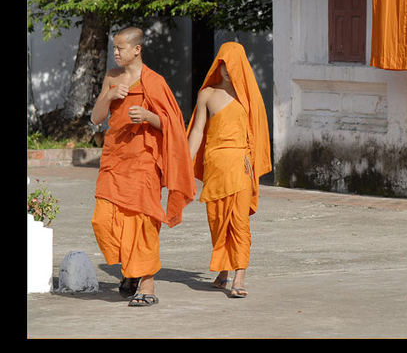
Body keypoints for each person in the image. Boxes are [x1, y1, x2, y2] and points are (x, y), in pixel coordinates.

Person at [89, 27, 195, 307]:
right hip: (114, 158)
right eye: (114, 48)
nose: (116, 53)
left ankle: (146, 284)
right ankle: (131, 270)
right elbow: (96, 118)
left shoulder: (154, 82)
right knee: (102, 220)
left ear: (137, 49)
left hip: (144, 162)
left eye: (120, 48)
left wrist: (149, 116)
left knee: (144, 222)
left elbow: (174, 124)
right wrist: (109, 97)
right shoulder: (111, 77)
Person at [187, 42, 271, 298]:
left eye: (230, 64)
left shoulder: (248, 98)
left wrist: (252, 159)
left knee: (239, 222)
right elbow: (198, 131)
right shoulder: (207, 94)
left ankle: (239, 276)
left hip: (240, 165)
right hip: (214, 165)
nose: (225, 69)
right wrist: (184, 165)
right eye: (221, 63)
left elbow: (257, 133)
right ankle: (223, 272)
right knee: (216, 219)